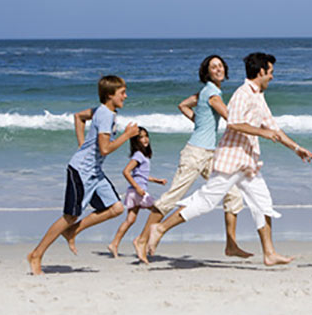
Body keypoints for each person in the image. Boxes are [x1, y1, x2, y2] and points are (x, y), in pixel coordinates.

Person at [146, 52, 312, 266]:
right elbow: (233, 123)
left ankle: (269, 253)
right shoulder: (242, 93)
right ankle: (160, 228)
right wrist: (261, 133)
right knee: (206, 201)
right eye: (270, 72)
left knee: (263, 203)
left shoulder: (258, 96)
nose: (272, 76)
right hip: (232, 160)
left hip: (248, 162)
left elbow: (274, 129)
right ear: (261, 72)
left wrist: (297, 148)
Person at [133, 55, 251, 263]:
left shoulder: (205, 91)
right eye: (213, 67)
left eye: (221, 66)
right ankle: (142, 239)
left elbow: (182, 105)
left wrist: (200, 123)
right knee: (171, 198)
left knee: (233, 194)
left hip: (209, 155)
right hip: (195, 154)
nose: (218, 69)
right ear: (206, 72)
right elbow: (230, 119)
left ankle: (231, 244)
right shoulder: (212, 93)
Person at [27, 75, 139, 275]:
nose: (126, 96)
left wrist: (82, 145)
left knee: (116, 208)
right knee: (70, 216)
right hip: (81, 171)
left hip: (95, 173)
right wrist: (126, 136)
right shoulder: (104, 114)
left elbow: (78, 117)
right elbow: (105, 149)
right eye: (122, 93)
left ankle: (73, 231)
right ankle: (36, 254)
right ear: (109, 95)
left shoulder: (102, 111)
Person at [107, 127, 167, 258]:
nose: (145, 139)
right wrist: (138, 188)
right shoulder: (139, 155)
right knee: (158, 211)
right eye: (141, 137)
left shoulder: (143, 155)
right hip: (138, 192)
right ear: (135, 141)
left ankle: (114, 243)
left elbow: (140, 175)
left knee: (130, 220)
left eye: (146, 136)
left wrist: (156, 180)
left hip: (133, 192)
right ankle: (146, 240)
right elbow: (126, 171)